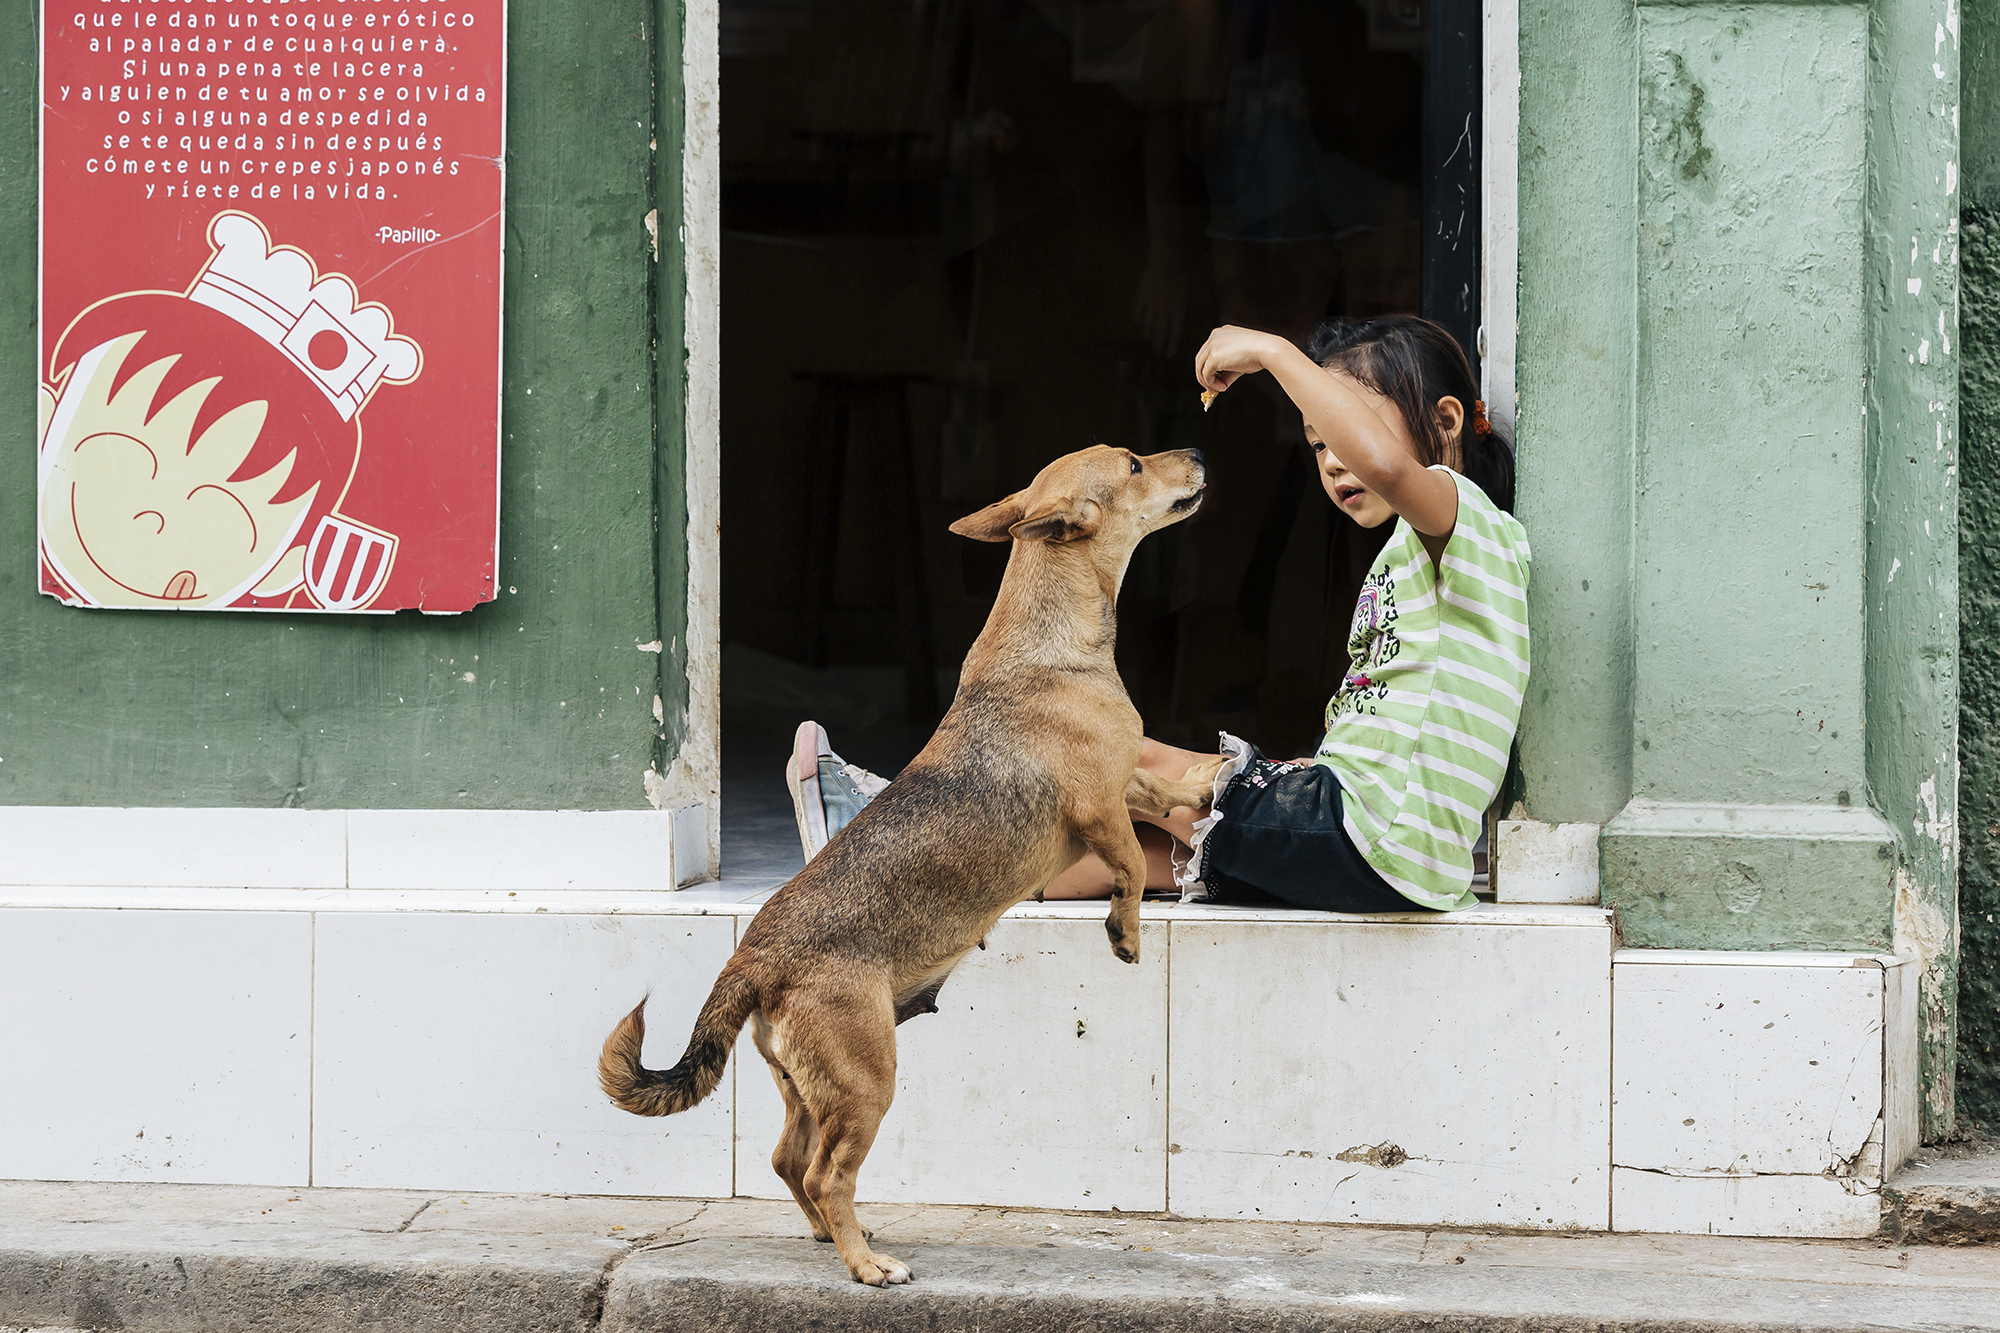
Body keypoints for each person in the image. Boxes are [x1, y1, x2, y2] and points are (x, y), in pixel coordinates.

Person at [787, 313, 1527, 914]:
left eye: (1346, 430)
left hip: (1371, 836)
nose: (1334, 458)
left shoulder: (1464, 521)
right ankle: (892, 880)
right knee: (1130, 850)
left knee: (1105, 749)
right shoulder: (1428, 554)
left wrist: (1272, 352)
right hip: (1386, 851)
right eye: (1317, 443)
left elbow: (1391, 467)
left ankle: (880, 829)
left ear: (1447, 421)